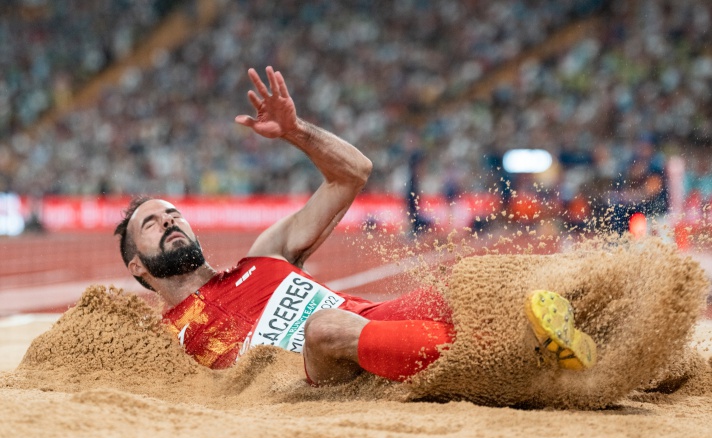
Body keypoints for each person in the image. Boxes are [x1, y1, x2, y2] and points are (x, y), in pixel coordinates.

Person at [114, 67, 597, 385]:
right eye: (151, 223)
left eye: (172, 212)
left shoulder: (263, 257)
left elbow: (354, 173)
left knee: (462, 281)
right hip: (311, 374)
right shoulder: (163, 339)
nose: (169, 220)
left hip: (378, 329)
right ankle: (511, 359)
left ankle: (595, 326)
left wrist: (297, 133)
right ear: (137, 265)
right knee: (323, 329)